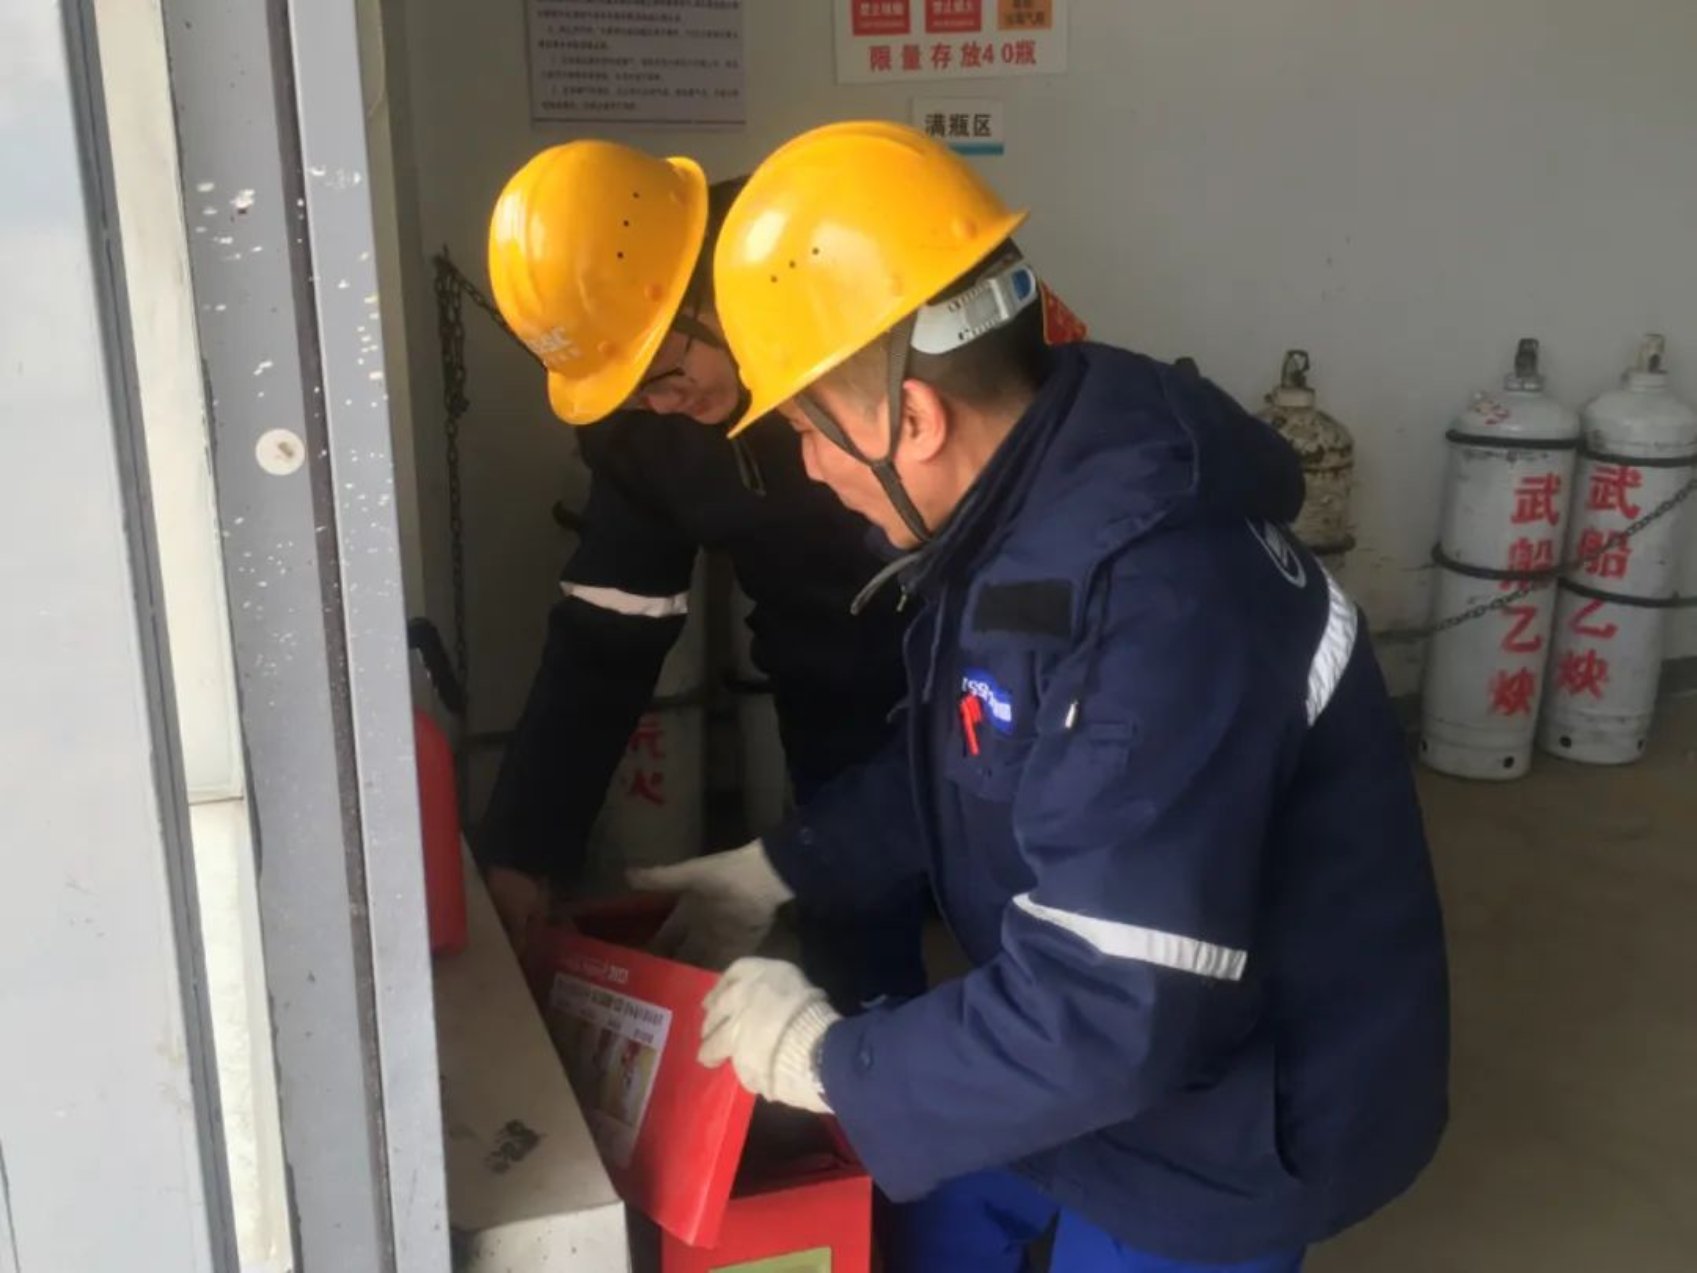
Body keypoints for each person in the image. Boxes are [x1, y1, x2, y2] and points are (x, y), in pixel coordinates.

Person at [638, 121, 1450, 1272]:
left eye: (808, 434)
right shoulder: (1035, 498)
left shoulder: (1161, 598)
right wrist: (776, 868)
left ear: (909, 421)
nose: (808, 469)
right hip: (1099, 1054)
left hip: (1225, 1121)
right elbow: (974, 758)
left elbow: (1115, 1006)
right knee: (904, 1220)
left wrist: (825, 1059)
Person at [477, 139, 923, 1010]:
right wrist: (524, 848)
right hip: (828, 679)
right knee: (856, 945)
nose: (663, 404)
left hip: (981, 657)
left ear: (700, 288)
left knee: (1022, 919)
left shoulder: (842, 263)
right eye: (631, 390)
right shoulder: (640, 426)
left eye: (666, 371)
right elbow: (607, 632)